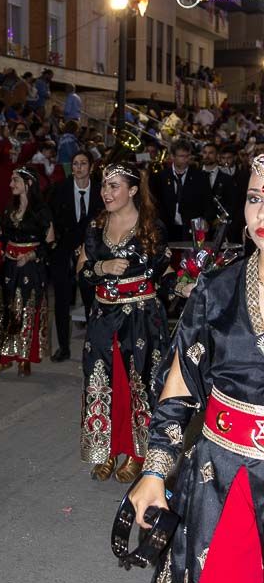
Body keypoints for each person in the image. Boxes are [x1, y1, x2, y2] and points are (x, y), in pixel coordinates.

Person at [116, 154, 264, 583]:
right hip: (226, 483)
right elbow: (179, 390)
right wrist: (152, 470)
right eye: (259, 198)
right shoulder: (218, 288)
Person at [78, 161, 170, 482]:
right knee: (102, 381)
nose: (106, 192)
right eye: (104, 185)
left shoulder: (151, 228)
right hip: (103, 315)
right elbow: (83, 271)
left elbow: (163, 271)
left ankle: (137, 453)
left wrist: (186, 284)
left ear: (132, 190)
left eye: (114, 186)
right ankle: (104, 449)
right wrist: (102, 268)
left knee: (139, 383)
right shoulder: (95, 227)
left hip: (141, 316)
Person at [0, 166, 54, 377]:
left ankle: (25, 358)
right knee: (4, 310)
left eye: (15, 180)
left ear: (28, 184)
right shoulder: (10, 209)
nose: (10, 184)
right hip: (10, 267)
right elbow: (3, 237)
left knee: (27, 310)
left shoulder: (42, 212)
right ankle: (2, 359)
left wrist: (30, 256)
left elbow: (50, 243)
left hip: (31, 268)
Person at [48, 150, 101, 361]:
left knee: (91, 301)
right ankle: (63, 347)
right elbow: (51, 219)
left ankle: (93, 347)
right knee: (61, 301)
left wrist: (88, 247)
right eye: (75, 163)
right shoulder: (59, 190)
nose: (78, 168)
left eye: (83, 163)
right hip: (63, 252)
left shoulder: (99, 191)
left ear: (91, 167)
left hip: (90, 253)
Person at [152, 141, 213, 244]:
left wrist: (206, 220)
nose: (186, 159)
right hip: (167, 228)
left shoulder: (200, 177)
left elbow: (208, 202)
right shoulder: (161, 177)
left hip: (191, 229)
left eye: (188, 156)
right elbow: (156, 202)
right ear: (172, 156)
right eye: (181, 156)